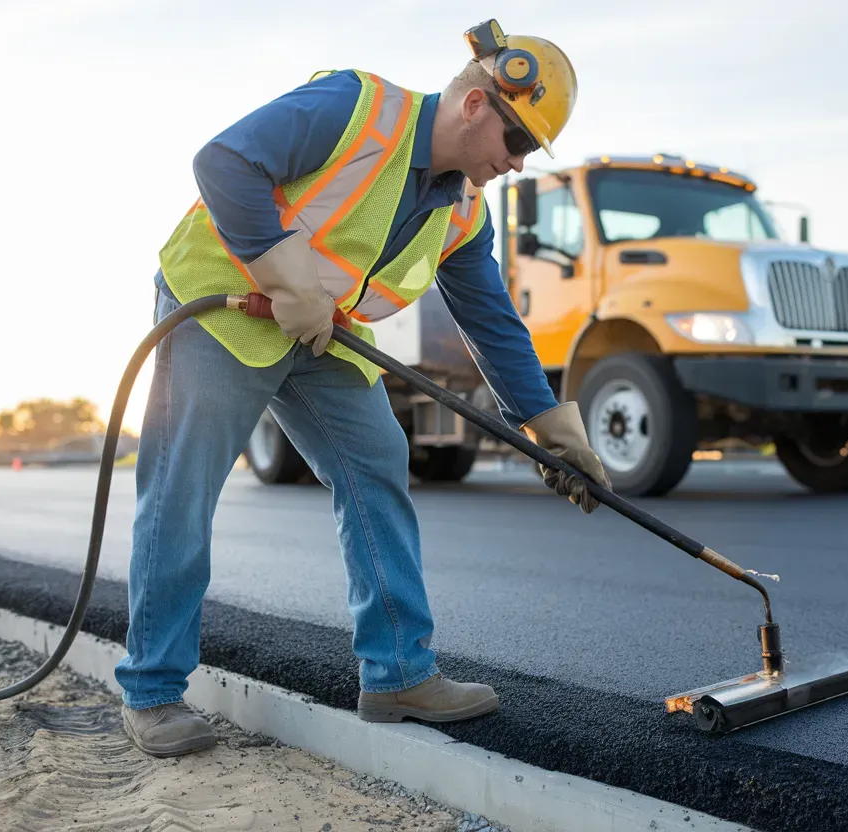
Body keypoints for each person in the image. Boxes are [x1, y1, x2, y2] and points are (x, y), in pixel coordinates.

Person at [114, 19, 612, 758]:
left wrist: (549, 423)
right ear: (477, 106)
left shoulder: (463, 210)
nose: (516, 164)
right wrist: (286, 274)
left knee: (378, 466)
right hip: (220, 307)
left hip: (321, 336)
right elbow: (222, 162)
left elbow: (491, 319)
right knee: (182, 489)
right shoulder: (354, 109)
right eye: (518, 143)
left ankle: (399, 674)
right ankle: (152, 692)